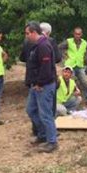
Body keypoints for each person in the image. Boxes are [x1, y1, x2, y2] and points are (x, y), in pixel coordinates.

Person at [24, 21, 58, 153]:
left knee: (46, 114)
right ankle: (43, 135)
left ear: (34, 32)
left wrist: (39, 83)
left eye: (27, 33)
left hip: (44, 85)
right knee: (31, 110)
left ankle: (52, 142)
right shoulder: (36, 45)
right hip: (36, 85)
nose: (26, 36)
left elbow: (46, 69)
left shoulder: (43, 46)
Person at [59, 27, 87, 106]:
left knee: (84, 82)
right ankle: (71, 99)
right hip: (70, 65)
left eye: (79, 34)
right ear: (73, 34)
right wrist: (64, 55)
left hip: (80, 65)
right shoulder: (69, 41)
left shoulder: (84, 43)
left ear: (81, 34)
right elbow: (59, 47)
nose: (77, 36)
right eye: (76, 34)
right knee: (71, 82)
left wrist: (85, 57)